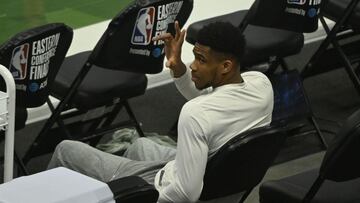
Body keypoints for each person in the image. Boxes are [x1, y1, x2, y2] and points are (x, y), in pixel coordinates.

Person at [47, 21, 274, 203]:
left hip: (168, 186)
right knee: (139, 145)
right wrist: (177, 67)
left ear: (225, 66)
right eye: (194, 56)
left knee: (66, 150)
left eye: (201, 59)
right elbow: (214, 104)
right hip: (222, 182)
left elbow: (186, 194)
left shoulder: (195, 114)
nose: (193, 65)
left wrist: (134, 194)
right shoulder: (261, 85)